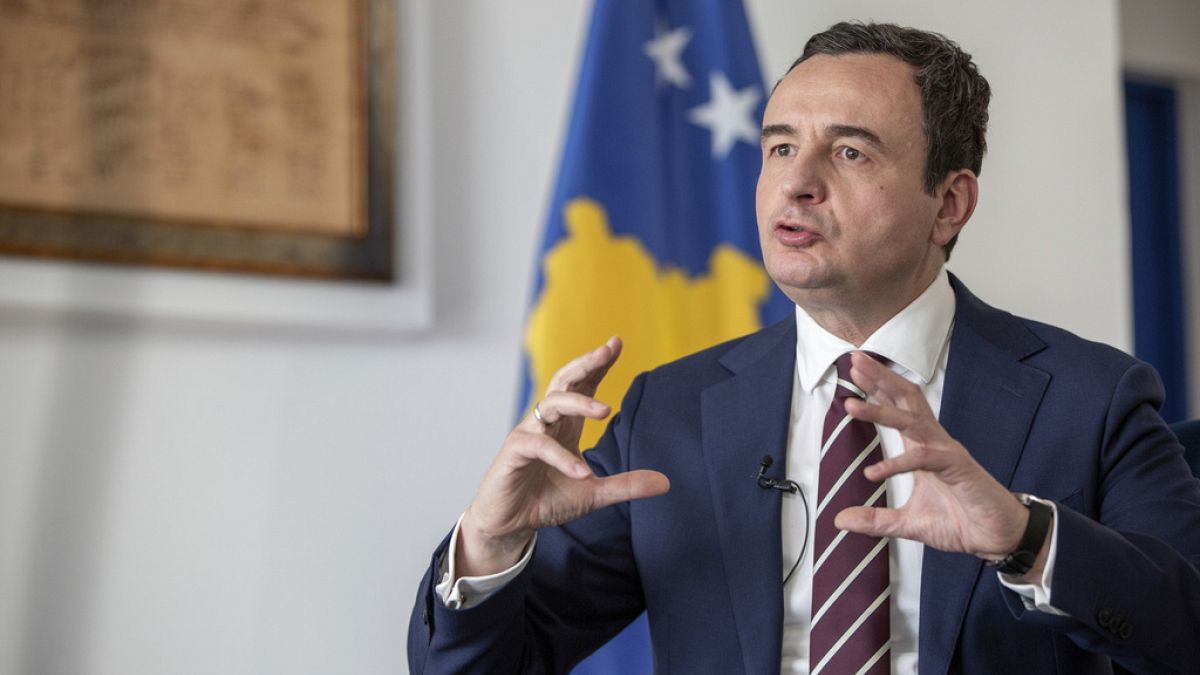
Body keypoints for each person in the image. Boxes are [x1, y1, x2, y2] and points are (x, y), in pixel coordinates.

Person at [408, 22, 1200, 674]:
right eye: (781, 147)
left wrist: (1027, 537)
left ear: (949, 204)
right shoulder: (672, 412)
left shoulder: (1090, 398)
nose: (796, 183)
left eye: (850, 152)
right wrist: (490, 544)